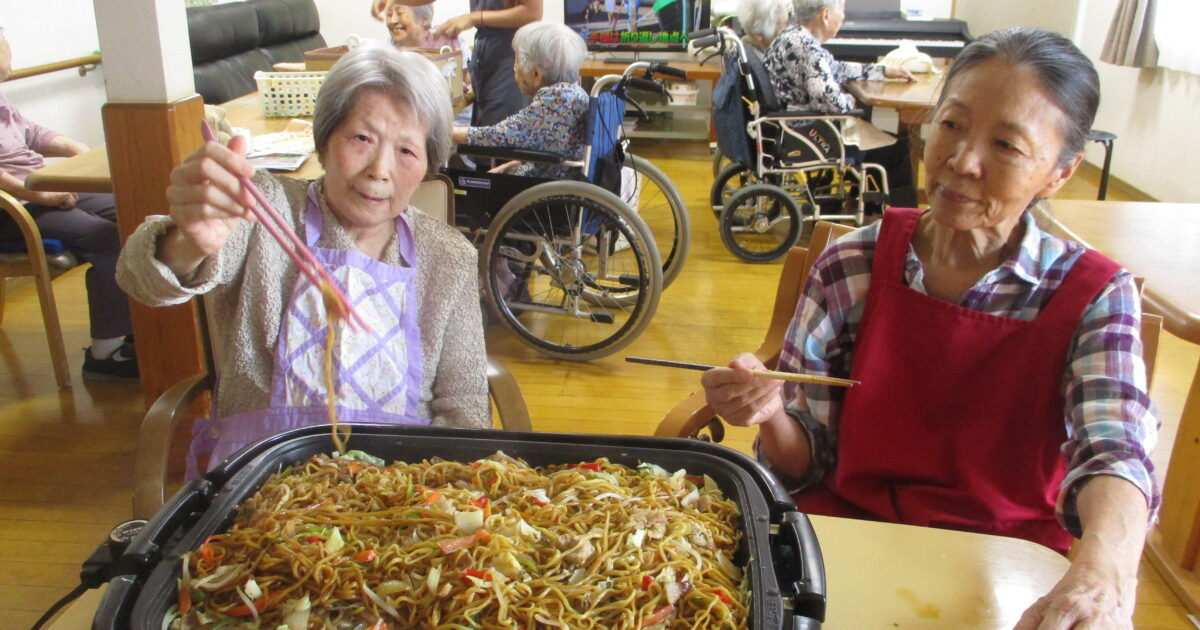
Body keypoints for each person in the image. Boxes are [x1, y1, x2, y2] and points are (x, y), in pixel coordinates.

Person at [701, 27, 1158, 628]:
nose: (962, 161)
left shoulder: (1094, 296)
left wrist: (1105, 569)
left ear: (1060, 172)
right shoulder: (852, 264)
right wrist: (771, 413)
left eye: (1006, 145)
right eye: (951, 125)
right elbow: (804, 462)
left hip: (1001, 566)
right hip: (843, 542)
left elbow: (1114, 451)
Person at [117, 46, 489, 477]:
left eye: (406, 151)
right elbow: (138, 278)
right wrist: (187, 242)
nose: (379, 170)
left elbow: (465, 405)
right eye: (362, 138)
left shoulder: (449, 256)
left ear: (427, 165)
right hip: (260, 478)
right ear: (325, 141)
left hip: (399, 487)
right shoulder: (262, 208)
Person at [0, 21, 137, 381]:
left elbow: (31, 133)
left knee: (138, 214)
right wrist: (38, 193)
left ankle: (140, 326)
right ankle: (104, 355)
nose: (7, 47)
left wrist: (76, 150)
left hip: (38, 190)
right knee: (110, 239)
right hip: (11, 209)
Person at [764, 0, 917, 206]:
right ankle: (904, 220)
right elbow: (833, 104)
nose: (844, 17)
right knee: (897, 149)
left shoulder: (791, 36)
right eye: (842, 11)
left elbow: (835, 68)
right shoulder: (807, 49)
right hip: (810, 131)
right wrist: (851, 100)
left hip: (793, 126)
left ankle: (864, 200)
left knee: (878, 138)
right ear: (826, 15)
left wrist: (882, 71)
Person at [451, 22, 588, 179]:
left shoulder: (554, 101)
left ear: (536, 75)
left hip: (543, 187)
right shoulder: (574, 94)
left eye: (517, 62)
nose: (514, 68)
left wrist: (449, 133)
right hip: (552, 175)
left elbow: (497, 136)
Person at [385, 0, 542, 127]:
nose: (393, 20)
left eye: (400, 13)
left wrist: (473, 17)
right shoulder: (388, 46)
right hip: (486, 57)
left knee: (502, 135)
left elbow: (532, 13)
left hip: (508, 58)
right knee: (485, 138)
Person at [383, 1, 458, 49]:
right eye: (389, 14)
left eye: (400, 13)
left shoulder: (447, 41)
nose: (393, 21)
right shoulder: (386, 49)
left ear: (424, 19)